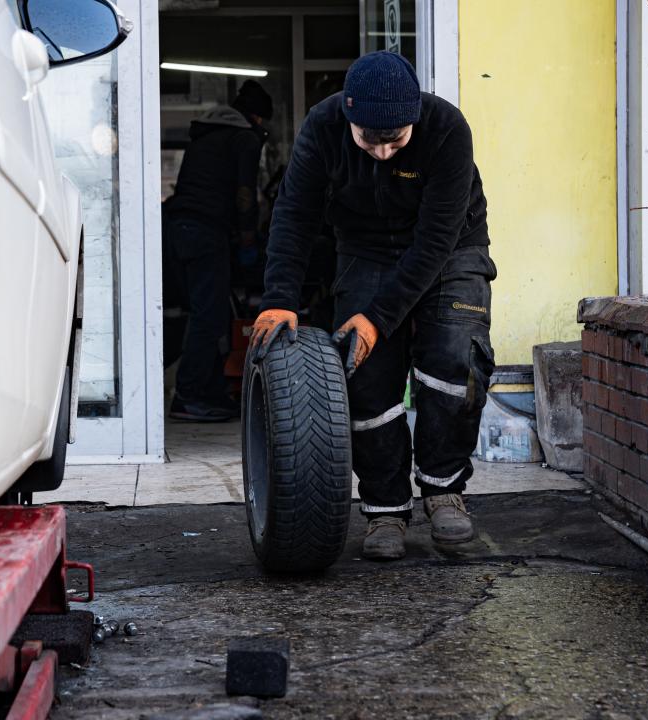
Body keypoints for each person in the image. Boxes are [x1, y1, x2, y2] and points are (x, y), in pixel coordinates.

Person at [249, 51, 495, 560]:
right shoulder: (323, 127)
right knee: (363, 375)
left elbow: (433, 243)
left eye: (395, 141)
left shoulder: (447, 129)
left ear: (414, 120)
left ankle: (444, 490)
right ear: (350, 118)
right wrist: (280, 299)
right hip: (364, 250)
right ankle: (385, 511)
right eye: (369, 140)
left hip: (451, 251)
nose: (381, 153)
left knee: (454, 359)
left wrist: (379, 318)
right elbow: (295, 214)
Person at [164, 80, 274, 422]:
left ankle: (210, 391)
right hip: (204, 232)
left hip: (178, 229)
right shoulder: (244, 137)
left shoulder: (207, 133)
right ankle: (190, 395)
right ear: (256, 118)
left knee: (208, 313)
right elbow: (244, 194)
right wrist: (248, 241)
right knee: (209, 316)